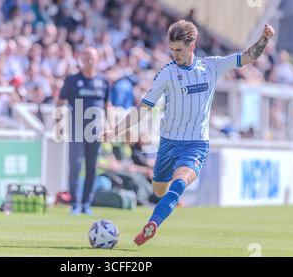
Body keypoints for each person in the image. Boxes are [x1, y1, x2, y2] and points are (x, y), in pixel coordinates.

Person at [102, 20, 275, 246]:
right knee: (158, 189)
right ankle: (159, 210)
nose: (174, 55)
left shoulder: (212, 66)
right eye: (172, 50)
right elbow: (143, 108)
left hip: (196, 143)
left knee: (180, 181)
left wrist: (264, 39)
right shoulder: (167, 74)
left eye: (179, 50)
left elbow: (248, 56)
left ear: (192, 46)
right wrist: (116, 130)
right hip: (168, 143)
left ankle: (152, 223)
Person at [56, 47, 112, 215]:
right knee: (75, 164)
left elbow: (108, 105)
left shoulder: (103, 81)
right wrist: (59, 124)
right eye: (85, 57)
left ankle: (87, 203)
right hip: (77, 129)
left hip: (96, 129)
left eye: (92, 58)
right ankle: (75, 203)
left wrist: (110, 126)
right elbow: (60, 102)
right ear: (81, 60)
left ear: (97, 60)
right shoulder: (72, 80)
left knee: (92, 167)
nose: (89, 61)